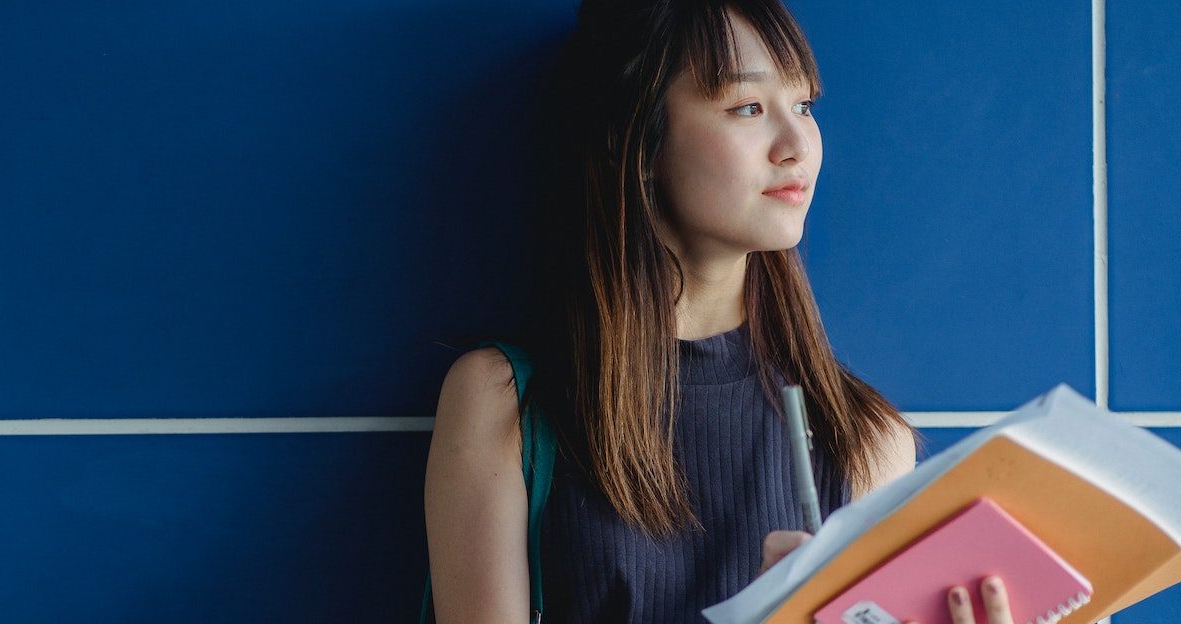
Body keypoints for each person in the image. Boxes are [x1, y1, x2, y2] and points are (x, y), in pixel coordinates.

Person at [422, 0, 1017, 622]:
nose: (797, 146)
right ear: (636, 138)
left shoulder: (864, 440)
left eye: (805, 105)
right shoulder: (506, 401)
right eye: (748, 108)